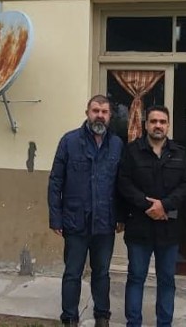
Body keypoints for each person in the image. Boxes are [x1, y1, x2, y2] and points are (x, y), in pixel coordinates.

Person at [48, 95, 125, 327]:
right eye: (95, 110)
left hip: (105, 222)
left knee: (102, 273)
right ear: (87, 113)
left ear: (110, 116)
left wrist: (120, 217)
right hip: (75, 221)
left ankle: (102, 315)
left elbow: (121, 184)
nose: (99, 115)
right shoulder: (69, 141)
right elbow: (55, 182)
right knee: (73, 273)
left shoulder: (117, 145)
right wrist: (55, 217)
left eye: (104, 111)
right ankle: (69, 317)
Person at [118, 105, 186, 327]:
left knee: (167, 280)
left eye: (162, 121)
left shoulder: (179, 153)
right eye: (153, 121)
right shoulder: (131, 151)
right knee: (136, 278)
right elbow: (123, 182)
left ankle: (164, 323)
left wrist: (164, 205)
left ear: (168, 125)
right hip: (139, 226)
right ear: (146, 125)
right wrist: (146, 204)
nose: (158, 125)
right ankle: (133, 322)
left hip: (168, 228)